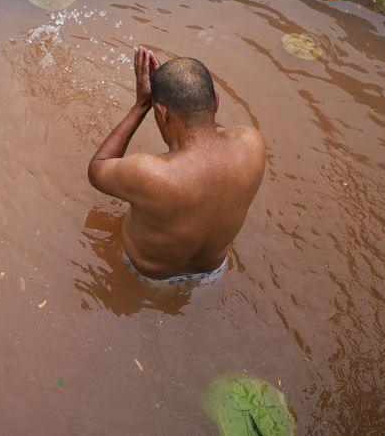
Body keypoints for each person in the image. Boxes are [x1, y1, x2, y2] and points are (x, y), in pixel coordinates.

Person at [87, 47, 265, 289]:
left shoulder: (150, 173)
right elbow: (211, 130)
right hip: (213, 273)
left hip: (148, 277)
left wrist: (141, 105)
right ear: (217, 103)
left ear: (161, 112)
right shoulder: (252, 144)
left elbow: (98, 168)